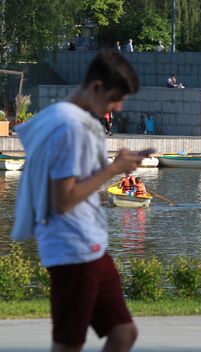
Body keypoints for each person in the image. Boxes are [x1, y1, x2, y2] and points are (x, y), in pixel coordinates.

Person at [11, 49, 152, 352]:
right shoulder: (70, 127)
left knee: (123, 333)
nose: (118, 106)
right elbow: (63, 199)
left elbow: (78, 175)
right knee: (68, 346)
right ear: (96, 87)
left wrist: (117, 163)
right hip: (73, 250)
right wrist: (115, 169)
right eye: (116, 98)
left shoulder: (64, 116)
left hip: (92, 247)